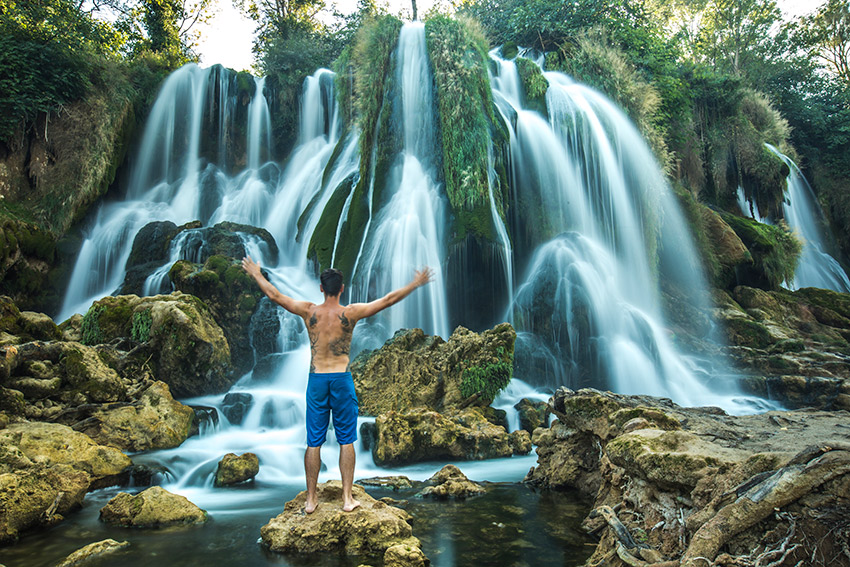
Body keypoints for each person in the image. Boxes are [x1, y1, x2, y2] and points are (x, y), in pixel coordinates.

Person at [241, 257, 434, 513]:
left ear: (321, 288)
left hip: (317, 379)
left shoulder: (309, 311)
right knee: (346, 440)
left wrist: (256, 273)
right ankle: (346, 499)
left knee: (314, 442)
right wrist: (415, 284)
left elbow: (275, 296)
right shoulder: (350, 313)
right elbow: (387, 300)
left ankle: (311, 500)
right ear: (342, 288)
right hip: (342, 379)